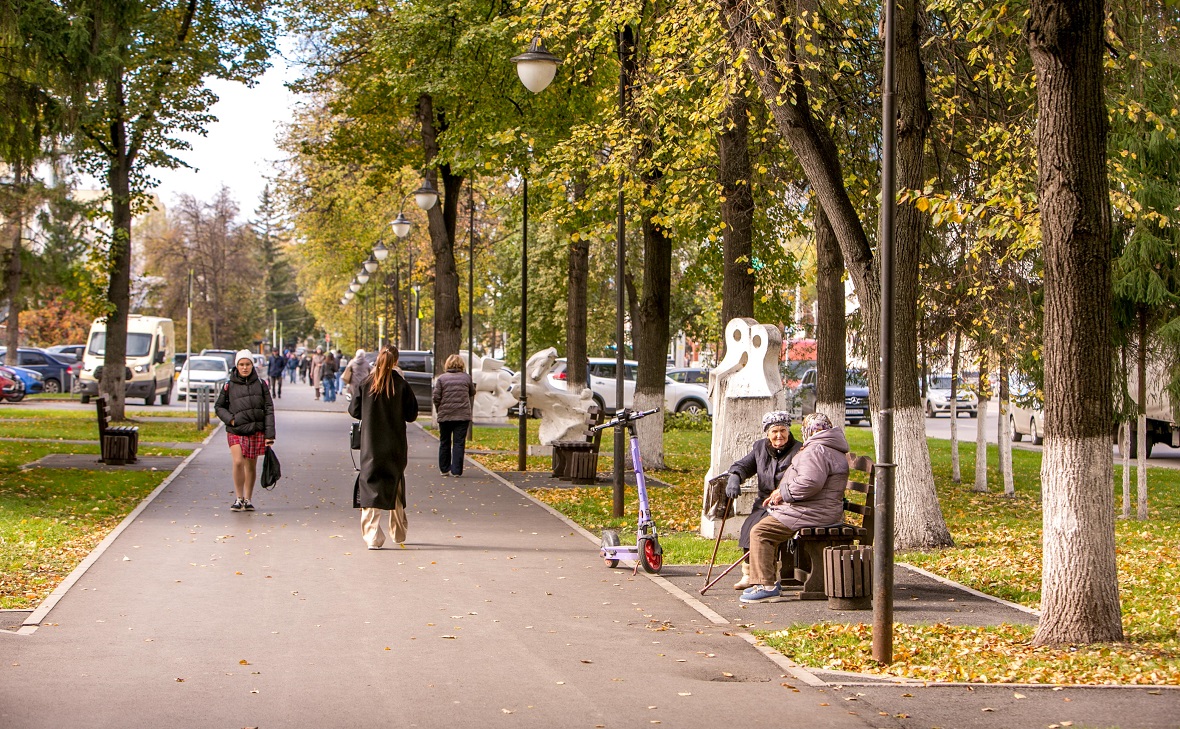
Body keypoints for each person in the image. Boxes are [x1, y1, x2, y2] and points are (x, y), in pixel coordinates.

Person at [740, 412, 850, 604]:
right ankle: (768, 581)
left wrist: (784, 494)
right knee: (763, 526)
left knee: (761, 531)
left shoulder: (816, 450)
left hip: (813, 512)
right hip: (818, 509)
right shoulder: (827, 447)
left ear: (809, 430)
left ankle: (766, 586)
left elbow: (809, 483)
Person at [348, 345, 419, 549]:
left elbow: (354, 410)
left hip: (371, 445)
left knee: (371, 486)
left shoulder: (366, 383)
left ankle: (372, 537)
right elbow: (411, 414)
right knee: (395, 485)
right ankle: (398, 532)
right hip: (395, 445)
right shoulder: (401, 385)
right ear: (396, 362)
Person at [724, 411, 803, 590]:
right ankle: (748, 573)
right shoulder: (760, 448)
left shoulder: (799, 450)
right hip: (763, 502)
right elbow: (744, 465)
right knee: (749, 528)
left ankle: (769, 575)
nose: (779, 435)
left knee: (764, 530)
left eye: (783, 430)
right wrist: (735, 476)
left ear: (788, 431)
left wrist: (784, 493)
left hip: (787, 504)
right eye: (774, 431)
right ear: (767, 433)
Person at [214, 350, 276, 512]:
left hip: (255, 430)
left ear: (252, 365)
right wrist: (231, 419)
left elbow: (269, 409)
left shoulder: (261, 385)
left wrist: (269, 436)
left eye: (247, 364)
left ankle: (248, 499)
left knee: (250, 465)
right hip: (236, 430)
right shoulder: (229, 385)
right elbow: (219, 407)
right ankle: (238, 497)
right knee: (238, 461)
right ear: (236, 365)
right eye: (241, 364)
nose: (244, 367)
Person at [432, 354, 475, 477]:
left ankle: (444, 469)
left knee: (444, 441)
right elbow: (472, 392)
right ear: (462, 365)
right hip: (462, 415)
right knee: (459, 443)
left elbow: (436, 397)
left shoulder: (441, 379)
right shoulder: (467, 378)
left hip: (445, 415)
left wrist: (439, 408)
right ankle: (456, 470)